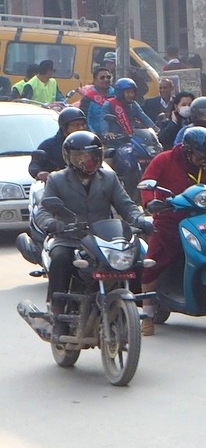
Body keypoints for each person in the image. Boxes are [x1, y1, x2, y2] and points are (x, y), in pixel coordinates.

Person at [37, 131, 150, 322]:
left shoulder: (109, 177)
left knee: (137, 258)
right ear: (69, 157)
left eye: (92, 155)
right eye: (80, 156)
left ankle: (141, 303)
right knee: (60, 259)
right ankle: (56, 308)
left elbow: (126, 205)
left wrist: (139, 219)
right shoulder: (56, 179)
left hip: (102, 239)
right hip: (69, 239)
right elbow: (43, 211)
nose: (87, 160)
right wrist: (52, 224)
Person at [141, 126, 206, 311]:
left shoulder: (203, 166)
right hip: (168, 220)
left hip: (198, 222)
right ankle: (148, 311)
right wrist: (150, 203)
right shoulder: (164, 159)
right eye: (200, 157)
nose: (203, 161)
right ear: (187, 151)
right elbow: (147, 183)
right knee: (153, 263)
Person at [30, 107, 88, 180]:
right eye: (75, 125)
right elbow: (35, 164)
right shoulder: (49, 145)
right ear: (64, 127)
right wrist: (39, 173)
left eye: (83, 124)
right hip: (58, 187)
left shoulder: (89, 143)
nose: (81, 128)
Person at [74, 67, 114, 133]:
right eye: (102, 78)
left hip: (116, 136)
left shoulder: (116, 95)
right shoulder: (88, 99)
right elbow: (85, 120)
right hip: (95, 136)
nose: (106, 79)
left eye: (108, 77)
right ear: (94, 80)